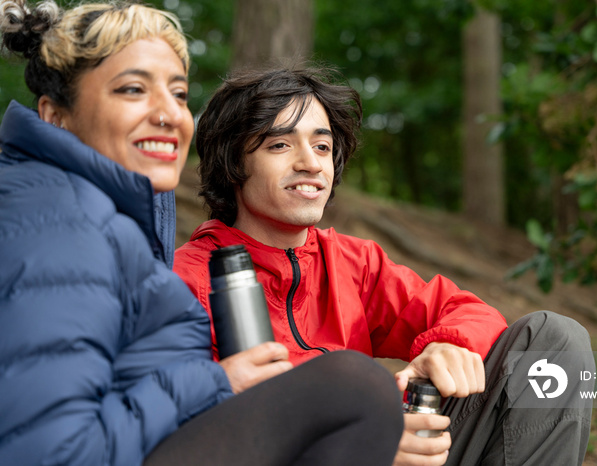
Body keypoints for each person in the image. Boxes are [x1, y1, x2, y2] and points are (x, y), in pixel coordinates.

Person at [0, 2, 404, 465]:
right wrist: (216, 383)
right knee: (352, 389)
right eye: (133, 89)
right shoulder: (55, 227)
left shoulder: (94, 214)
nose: (169, 113)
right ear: (55, 115)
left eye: (177, 93)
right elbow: (48, 450)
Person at [174, 65, 595, 466]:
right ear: (233, 162)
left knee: (554, 341)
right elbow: (194, 436)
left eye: (322, 146)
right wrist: (357, 447)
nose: (311, 163)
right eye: (280, 144)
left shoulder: (354, 263)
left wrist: (448, 344)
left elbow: (469, 310)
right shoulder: (183, 281)